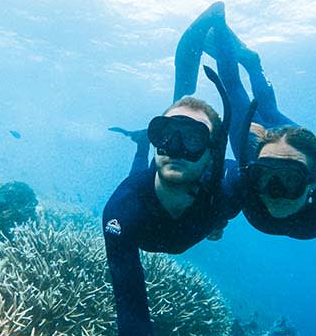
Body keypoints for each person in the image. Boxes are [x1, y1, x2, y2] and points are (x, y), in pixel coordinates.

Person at [174, 2, 316, 239]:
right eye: (263, 175)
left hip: (257, 142)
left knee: (243, 97)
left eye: (290, 179)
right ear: (253, 172)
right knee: (257, 103)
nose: (275, 192)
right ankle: (244, 53)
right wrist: (216, 217)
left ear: (314, 179)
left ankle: (251, 62)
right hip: (272, 140)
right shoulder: (244, 181)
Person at [103, 68, 241, 335]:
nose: (175, 147)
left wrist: (219, 221)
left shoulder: (229, 188)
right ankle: (142, 144)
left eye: (192, 138)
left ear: (213, 152)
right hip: (144, 201)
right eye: (166, 134)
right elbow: (131, 309)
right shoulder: (122, 210)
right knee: (138, 175)